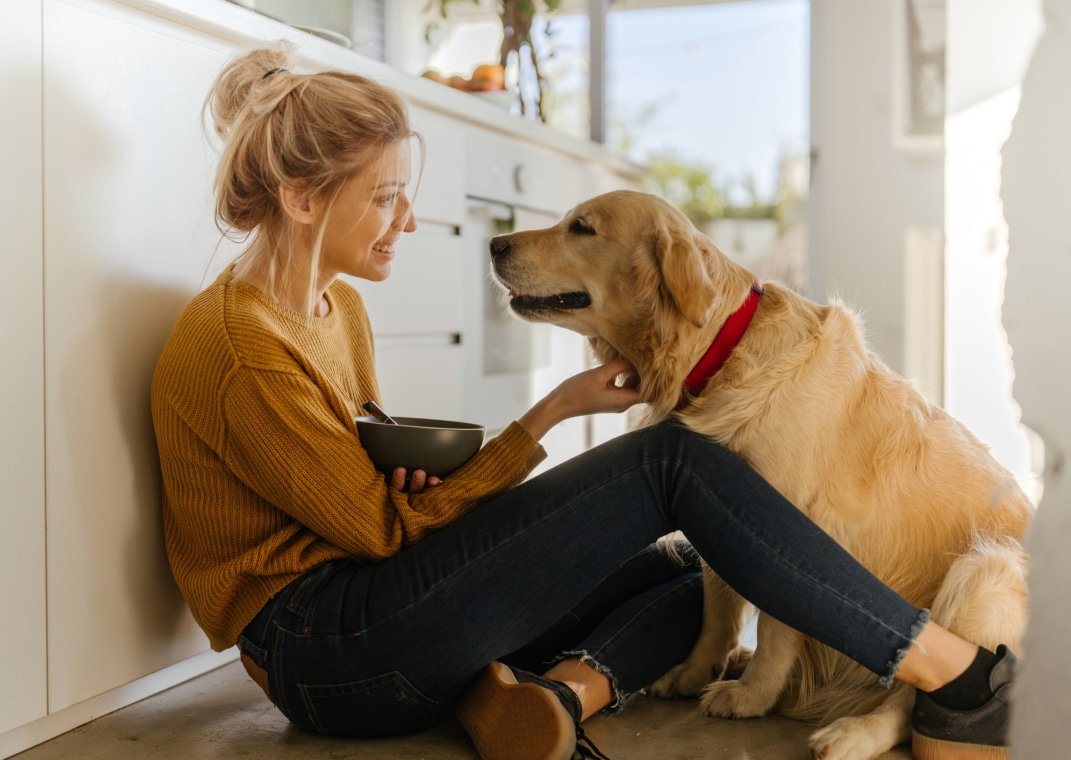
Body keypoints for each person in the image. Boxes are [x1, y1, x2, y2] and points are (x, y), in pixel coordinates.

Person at [150, 43, 1017, 760]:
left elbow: (354, 493)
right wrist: (552, 412)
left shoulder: (335, 307)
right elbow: (377, 533)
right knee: (674, 459)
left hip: (378, 612)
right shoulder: (240, 347)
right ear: (302, 199)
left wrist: (415, 482)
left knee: (697, 564)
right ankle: (954, 672)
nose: (406, 221)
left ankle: (555, 698)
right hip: (329, 657)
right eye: (384, 197)